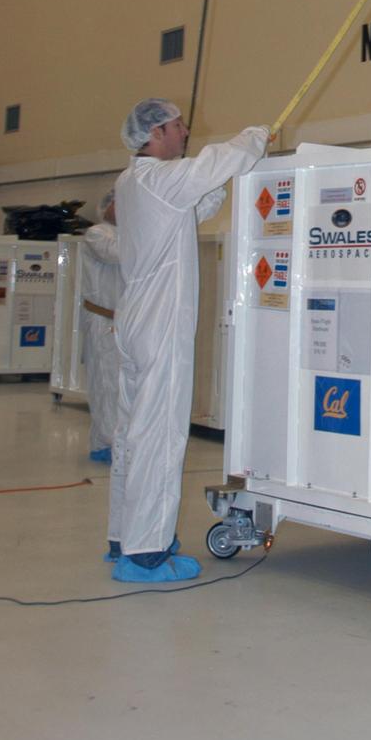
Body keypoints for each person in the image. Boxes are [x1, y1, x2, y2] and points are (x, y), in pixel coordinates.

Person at [108, 98, 269, 583]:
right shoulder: (158, 178)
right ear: (155, 133)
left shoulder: (134, 183)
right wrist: (255, 136)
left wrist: (221, 180)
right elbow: (215, 164)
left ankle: (122, 536)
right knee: (157, 434)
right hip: (159, 323)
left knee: (130, 433)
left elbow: (195, 202)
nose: (185, 134)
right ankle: (146, 554)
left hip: (134, 319)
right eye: (178, 127)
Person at [81, 189, 121, 465]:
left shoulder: (130, 234)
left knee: (119, 385)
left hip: (124, 321)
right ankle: (110, 444)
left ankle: (103, 443)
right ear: (106, 207)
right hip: (102, 320)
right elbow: (114, 254)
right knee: (106, 384)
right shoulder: (97, 234)